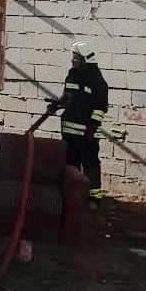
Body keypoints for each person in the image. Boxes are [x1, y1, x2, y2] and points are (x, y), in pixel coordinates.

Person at [49, 40, 108, 211]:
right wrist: (57, 105)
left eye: (76, 57)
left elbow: (101, 107)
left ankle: (94, 198)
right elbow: (68, 97)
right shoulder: (72, 75)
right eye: (73, 57)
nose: (72, 60)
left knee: (90, 165)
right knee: (70, 165)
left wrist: (92, 127)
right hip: (69, 131)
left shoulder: (97, 82)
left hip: (87, 135)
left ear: (86, 59)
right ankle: (70, 197)